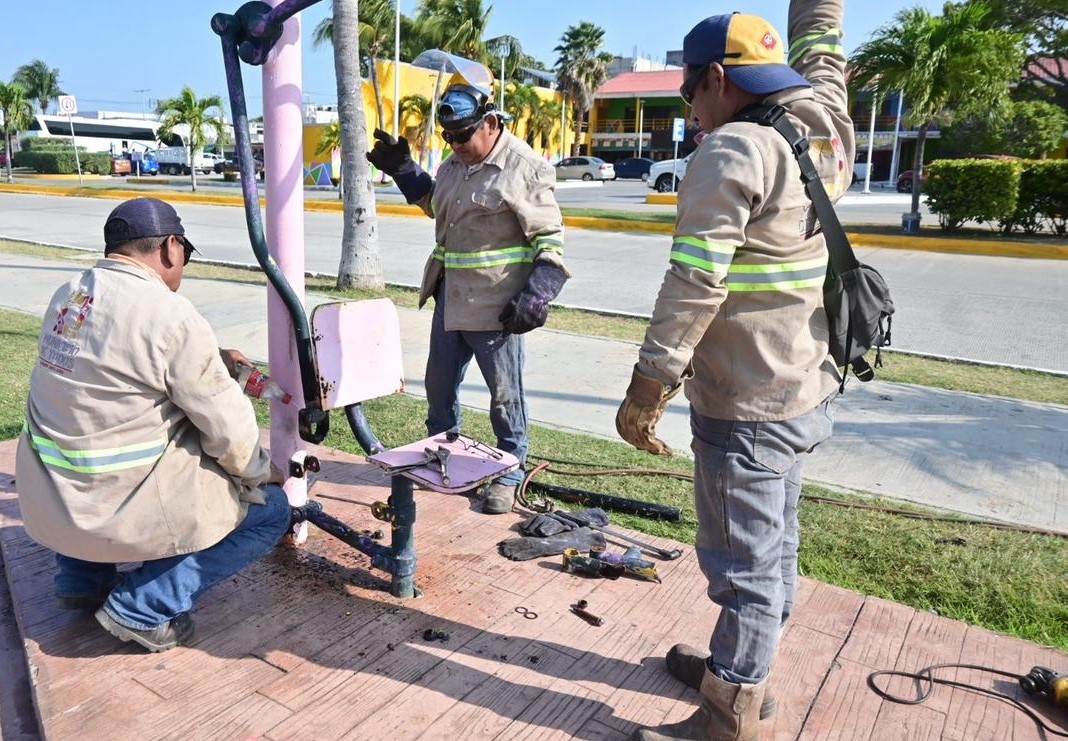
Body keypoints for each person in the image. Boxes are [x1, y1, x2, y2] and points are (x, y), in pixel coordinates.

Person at [615, 2, 853, 739]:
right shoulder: (824, 125)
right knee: (774, 546)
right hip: (804, 387)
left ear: (716, 78)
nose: (691, 110)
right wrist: (819, 14)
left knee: (741, 565)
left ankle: (732, 712)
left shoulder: (731, 151)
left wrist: (647, 388)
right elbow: (825, 57)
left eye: (689, 91)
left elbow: (694, 281)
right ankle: (746, 670)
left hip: (745, 403)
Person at [16, 197, 291, 653]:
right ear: (170, 248)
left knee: (85, 439)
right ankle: (143, 607)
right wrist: (263, 473)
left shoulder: (71, 294)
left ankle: (83, 581)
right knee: (271, 511)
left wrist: (211, 359)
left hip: (53, 502)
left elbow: (111, 363)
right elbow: (229, 430)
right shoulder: (171, 315)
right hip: (116, 505)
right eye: (185, 253)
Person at [367, 76, 569, 515]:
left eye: (463, 135)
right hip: (451, 300)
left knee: (505, 395)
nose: (455, 144)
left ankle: (510, 470)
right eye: (449, 137)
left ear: (491, 123)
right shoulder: (454, 166)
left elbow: (550, 239)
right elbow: (436, 204)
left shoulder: (523, 167)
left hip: (498, 308)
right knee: (439, 391)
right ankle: (443, 457)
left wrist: (539, 293)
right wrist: (404, 170)